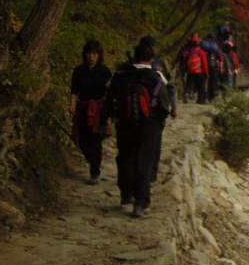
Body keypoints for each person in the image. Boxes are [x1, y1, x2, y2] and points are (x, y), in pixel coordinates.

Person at [106, 41, 174, 217]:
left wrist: (113, 117)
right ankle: (141, 203)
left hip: (125, 124)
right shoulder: (155, 77)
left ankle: (126, 194)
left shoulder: (121, 75)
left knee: (125, 158)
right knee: (143, 162)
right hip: (148, 126)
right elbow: (165, 107)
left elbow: (110, 99)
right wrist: (157, 124)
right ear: (151, 58)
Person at [69, 39, 112, 184]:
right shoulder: (78, 71)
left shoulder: (105, 72)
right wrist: (72, 104)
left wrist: (108, 110)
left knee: (96, 140)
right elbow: (74, 91)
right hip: (83, 107)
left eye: (94, 53)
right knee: (82, 140)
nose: (91, 56)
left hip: (99, 110)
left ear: (99, 55)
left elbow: (110, 92)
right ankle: (92, 160)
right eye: (89, 53)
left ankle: (95, 173)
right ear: (85, 54)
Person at [137, 36, 178, 183]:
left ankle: (132, 178)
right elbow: (170, 88)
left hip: (131, 114)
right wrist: (173, 108)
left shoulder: (128, 66)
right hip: (153, 114)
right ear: (154, 48)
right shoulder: (159, 65)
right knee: (153, 144)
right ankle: (151, 175)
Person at [180, 35, 209, 104]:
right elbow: (204, 62)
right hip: (200, 71)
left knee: (189, 84)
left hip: (190, 71)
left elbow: (184, 61)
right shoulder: (201, 52)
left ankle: (186, 93)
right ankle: (200, 100)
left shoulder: (188, 52)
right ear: (198, 43)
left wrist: (185, 69)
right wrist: (206, 71)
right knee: (201, 85)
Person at [199, 32, 224, 102]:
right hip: (213, 66)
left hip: (202, 66)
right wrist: (221, 68)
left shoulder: (202, 45)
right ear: (213, 38)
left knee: (202, 82)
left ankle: (202, 98)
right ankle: (212, 97)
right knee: (213, 82)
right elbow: (220, 58)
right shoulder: (215, 46)